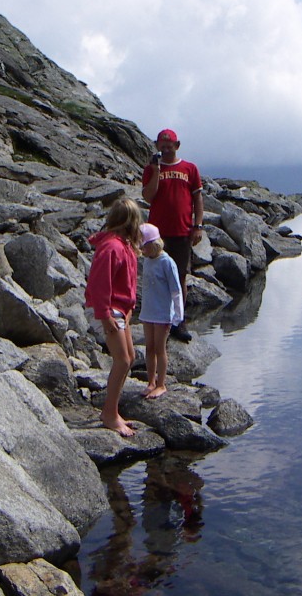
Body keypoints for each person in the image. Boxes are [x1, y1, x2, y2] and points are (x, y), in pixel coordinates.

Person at [84, 196, 144, 437]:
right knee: (121, 360)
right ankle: (109, 413)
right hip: (107, 309)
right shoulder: (111, 247)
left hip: (119, 309)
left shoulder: (125, 246)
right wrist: (105, 315)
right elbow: (99, 284)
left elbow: (127, 284)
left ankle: (113, 411)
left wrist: (128, 310)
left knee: (128, 358)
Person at [141, 128, 204, 342]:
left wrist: (198, 226)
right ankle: (160, 320)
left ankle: (179, 321)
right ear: (157, 147)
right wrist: (156, 171)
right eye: (162, 146)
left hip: (182, 231)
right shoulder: (151, 170)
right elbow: (149, 197)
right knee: (157, 276)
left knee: (180, 277)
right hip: (157, 235)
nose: (166, 150)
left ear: (177, 146)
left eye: (170, 146)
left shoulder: (190, 168)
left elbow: (198, 198)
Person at [138, 223, 184, 399]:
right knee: (149, 348)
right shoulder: (148, 261)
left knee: (160, 348)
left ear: (153, 244)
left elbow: (176, 289)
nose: (142, 250)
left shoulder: (167, 262)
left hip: (162, 312)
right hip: (148, 310)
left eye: (144, 246)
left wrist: (178, 314)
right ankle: (151, 381)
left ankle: (161, 384)